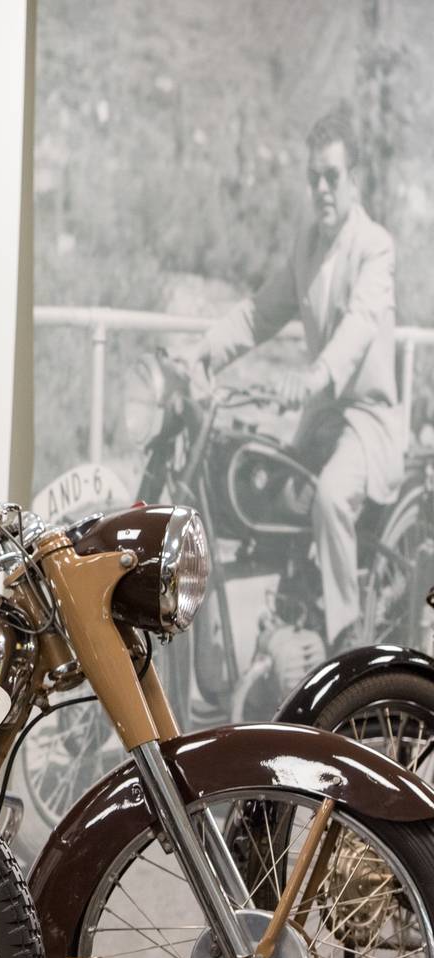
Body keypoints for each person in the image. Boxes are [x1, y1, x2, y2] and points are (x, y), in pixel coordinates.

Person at [180, 110, 401, 646]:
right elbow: (262, 312)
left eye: (332, 176)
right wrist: (204, 350)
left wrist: (314, 376)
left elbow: (358, 327)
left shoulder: (374, 247)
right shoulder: (308, 243)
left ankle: (347, 639)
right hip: (320, 419)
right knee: (261, 489)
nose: (322, 188)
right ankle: (280, 625)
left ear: (355, 179)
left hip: (365, 420)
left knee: (328, 496)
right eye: (314, 178)